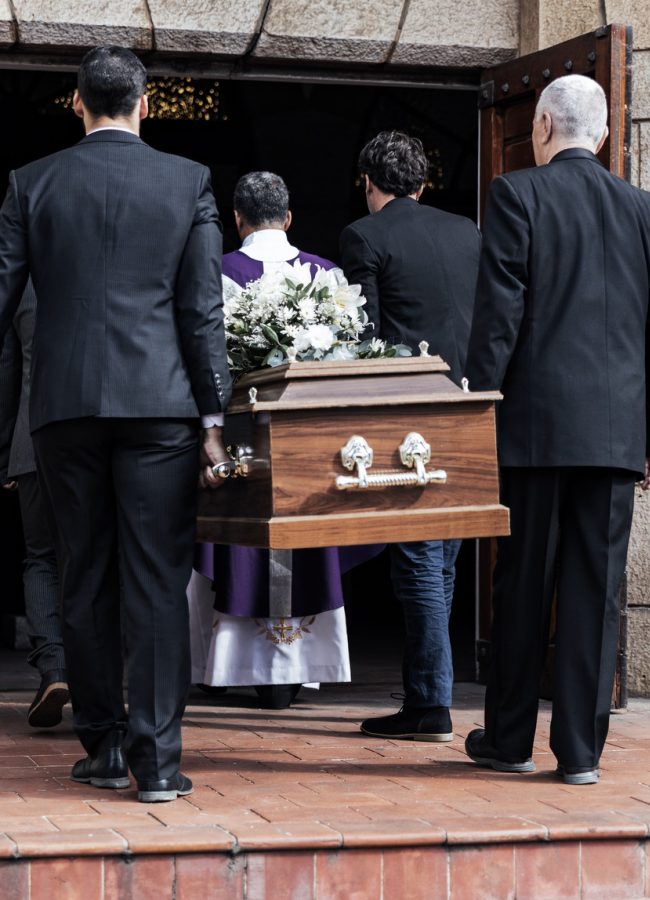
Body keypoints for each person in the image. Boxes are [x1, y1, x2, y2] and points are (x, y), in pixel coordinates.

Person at [0, 46, 232, 803]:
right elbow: (201, 313)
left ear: (77, 103)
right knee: (158, 581)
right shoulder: (187, 181)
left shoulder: (30, 183)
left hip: (63, 406)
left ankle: (101, 746)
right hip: (161, 405)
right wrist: (213, 415)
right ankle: (157, 763)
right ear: (147, 103)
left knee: (83, 570)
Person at [463, 75, 650, 785]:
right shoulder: (648, 212)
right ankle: (582, 754)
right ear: (606, 133)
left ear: (542, 127)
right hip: (616, 432)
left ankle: (510, 740)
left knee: (523, 581)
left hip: (532, 428)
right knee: (598, 587)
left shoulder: (517, 193)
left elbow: (500, 316)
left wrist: (475, 408)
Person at [189, 171, 380, 709]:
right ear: (289, 217)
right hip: (307, 447)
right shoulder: (325, 276)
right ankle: (296, 670)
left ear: (237, 218)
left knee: (237, 541)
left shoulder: (216, 272)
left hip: (238, 440)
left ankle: (224, 668)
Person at [340, 131, 480, 742]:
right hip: (470, 407)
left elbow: (365, 340)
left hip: (408, 417)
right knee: (441, 561)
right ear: (422, 183)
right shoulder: (467, 232)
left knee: (421, 563)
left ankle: (429, 705)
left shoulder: (364, 236)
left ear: (370, 182)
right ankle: (430, 692)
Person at [0, 281, 68, 728]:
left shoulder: (24, 287)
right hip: (95, 438)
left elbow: (8, 369)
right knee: (98, 555)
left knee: (40, 557)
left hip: (31, 438)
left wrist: (6, 449)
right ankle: (100, 673)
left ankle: (53, 669)